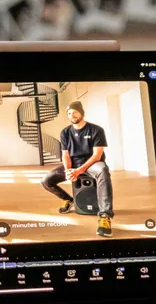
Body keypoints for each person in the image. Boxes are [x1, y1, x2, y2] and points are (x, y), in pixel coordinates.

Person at [41, 101, 114, 236]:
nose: (72, 115)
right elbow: (65, 155)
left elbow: (97, 155)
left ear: (81, 112)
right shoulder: (65, 132)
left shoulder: (96, 130)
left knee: (103, 171)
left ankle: (105, 216)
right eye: (69, 113)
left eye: (75, 112)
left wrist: (79, 170)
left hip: (92, 164)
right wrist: (69, 171)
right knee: (46, 180)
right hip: (73, 164)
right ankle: (68, 199)